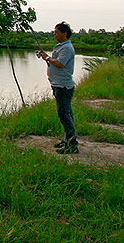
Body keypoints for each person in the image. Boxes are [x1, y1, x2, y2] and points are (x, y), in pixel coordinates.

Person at [36, 22, 78, 154]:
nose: (54, 34)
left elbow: (60, 63)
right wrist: (46, 58)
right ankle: (67, 140)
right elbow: (54, 61)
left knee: (64, 115)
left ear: (64, 33)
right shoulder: (60, 47)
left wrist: (48, 57)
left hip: (63, 86)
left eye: (56, 32)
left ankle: (72, 145)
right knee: (66, 114)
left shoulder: (66, 48)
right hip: (58, 84)